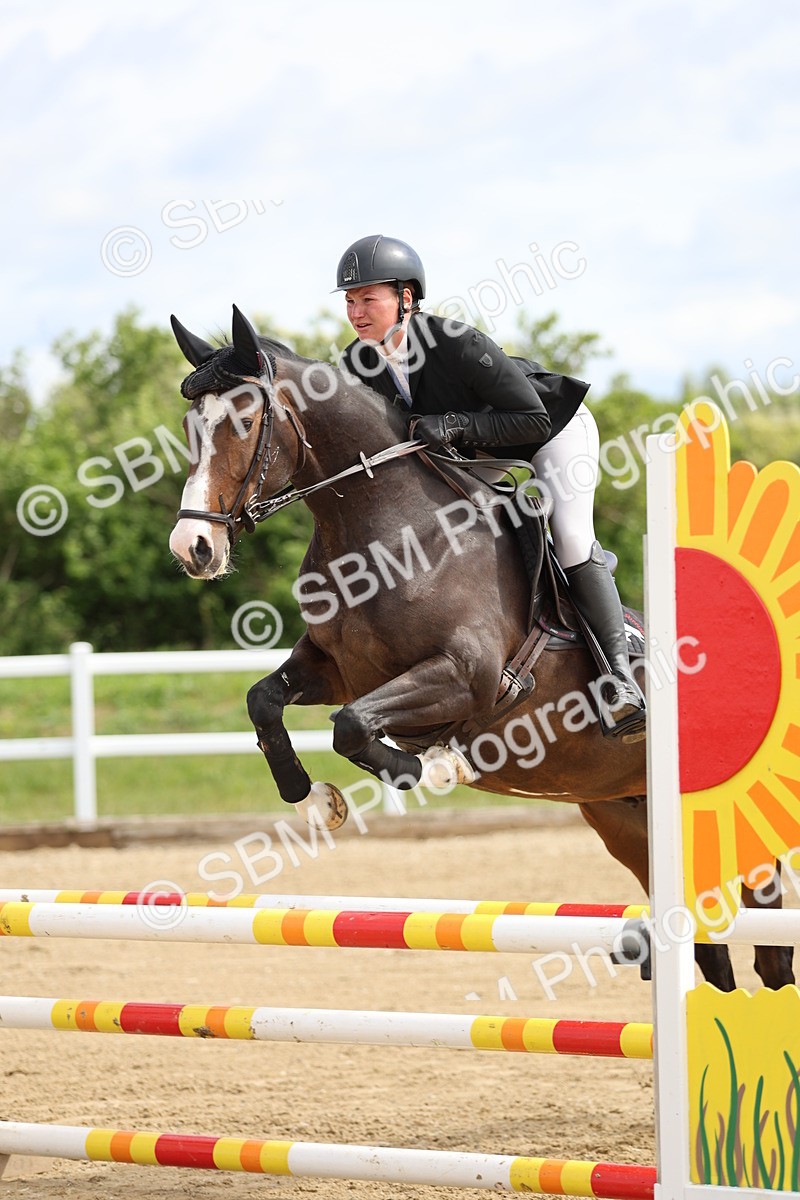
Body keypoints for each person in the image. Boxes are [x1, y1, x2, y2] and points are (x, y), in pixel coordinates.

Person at [333, 234, 646, 742]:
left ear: (406, 298)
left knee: (568, 536)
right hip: (483, 452)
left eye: (369, 297)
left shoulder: (456, 342)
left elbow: (530, 417)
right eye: (350, 300)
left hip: (551, 431)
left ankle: (621, 680)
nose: (357, 310)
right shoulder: (357, 364)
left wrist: (455, 424)